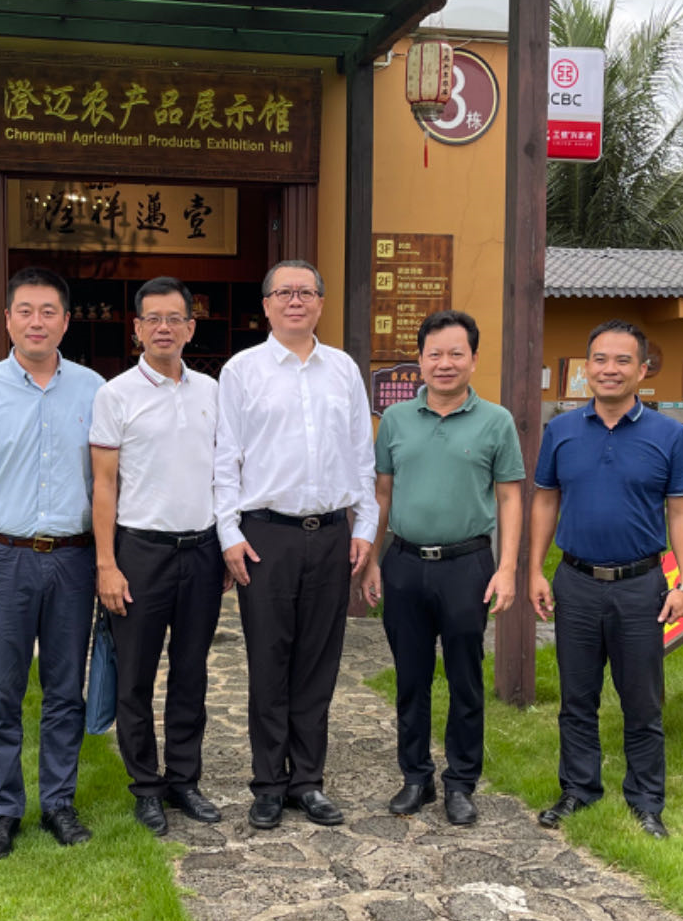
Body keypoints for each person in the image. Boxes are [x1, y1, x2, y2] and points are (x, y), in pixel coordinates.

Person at [0, 266, 104, 859]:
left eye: (49, 311)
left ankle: (59, 802)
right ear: (7, 319)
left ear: (66, 321)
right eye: (26, 311)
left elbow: (106, 483)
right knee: (1, 692)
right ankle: (4, 809)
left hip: (72, 559)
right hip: (2, 557)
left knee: (65, 690)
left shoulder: (94, 389)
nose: (37, 322)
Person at [214, 259, 378, 830]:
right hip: (266, 536)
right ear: (266, 305)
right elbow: (225, 459)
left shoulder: (343, 370)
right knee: (268, 660)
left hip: (331, 534)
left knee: (318, 663)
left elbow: (361, 454)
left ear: (320, 303)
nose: (294, 301)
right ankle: (267, 783)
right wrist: (229, 533)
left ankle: (307, 780)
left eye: (305, 292)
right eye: (283, 292)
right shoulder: (242, 371)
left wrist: (364, 526)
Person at [527, 319, 683, 840]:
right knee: (576, 697)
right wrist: (535, 569)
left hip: (641, 585)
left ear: (642, 370)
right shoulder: (561, 430)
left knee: (642, 700)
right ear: (586, 368)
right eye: (600, 359)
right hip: (576, 581)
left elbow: (681, 511)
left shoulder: (669, 435)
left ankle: (646, 801)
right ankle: (579, 789)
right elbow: (546, 501)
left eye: (623, 360)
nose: (610, 369)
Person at [359, 310, 525, 826]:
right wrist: (372, 560)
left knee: (464, 677)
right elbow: (382, 494)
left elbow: (510, 498)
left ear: (473, 359)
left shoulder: (496, 421)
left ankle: (461, 782)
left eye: (456, 353)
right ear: (420, 360)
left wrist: (507, 568)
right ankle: (416, 777)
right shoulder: (396, 420)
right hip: (405, 563)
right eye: (435, 354)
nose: (445, 363)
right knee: (411, 678)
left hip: (467, 565)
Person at [89, 276, 227, 837]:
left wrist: (225, 545)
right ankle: (145, 786)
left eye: (175, 318)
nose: (164, 328)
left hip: (202, 550)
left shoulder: (212, 391)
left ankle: (184, 779)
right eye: (153, 319)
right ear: (137, 328)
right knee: (135, 677)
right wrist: (106, 564)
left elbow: (226, 472)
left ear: (191, 327)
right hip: (140, 552)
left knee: (192, 672)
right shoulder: (115, 395)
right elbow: (103, 485)